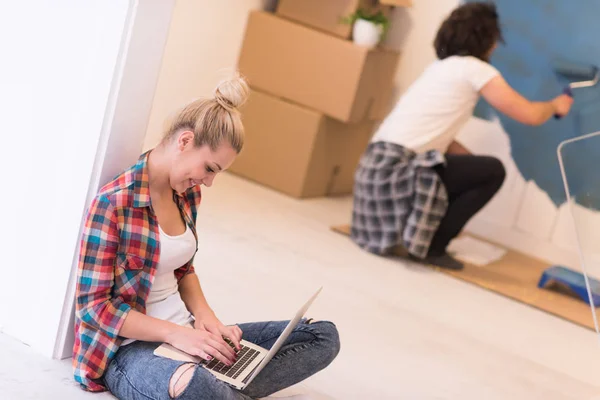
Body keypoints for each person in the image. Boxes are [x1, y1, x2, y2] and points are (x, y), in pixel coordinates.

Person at [72, 74, 340, 399]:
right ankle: (212, 386)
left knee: (322, 337)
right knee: (200, 387)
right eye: (209, 169)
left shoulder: (187, 193)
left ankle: (218, 385)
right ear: (185, 142)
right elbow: (94, 308)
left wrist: (207, 320)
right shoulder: (115, 202)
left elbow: (183, 270)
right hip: (131, 351)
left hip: (188, 334)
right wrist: (175, 336)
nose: (208, 182)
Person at [351, 2, 573, 270]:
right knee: (493, 170)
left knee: (476, 167)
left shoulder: (440, 68)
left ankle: (422, 238)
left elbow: (432, 138)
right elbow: (529, 115)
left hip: (373, 174)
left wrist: (469, 164)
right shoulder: (476, 70)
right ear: (486, 39)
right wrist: (556, 105)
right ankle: (432, 248)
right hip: (396, 172)